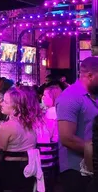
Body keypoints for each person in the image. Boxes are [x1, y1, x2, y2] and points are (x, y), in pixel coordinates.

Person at [56, 57, 98, 192]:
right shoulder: (70, 97)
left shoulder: (93, 96)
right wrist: (95, 153)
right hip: (75, 170)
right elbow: (67, 138)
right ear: (90, 76)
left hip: (91, 167)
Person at [0, 87, 38, 191]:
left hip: (10, 174)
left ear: (15, 108)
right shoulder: (32, 124)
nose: (1, 104)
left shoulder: (7, 126)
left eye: (6, 102)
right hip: (28, 173)